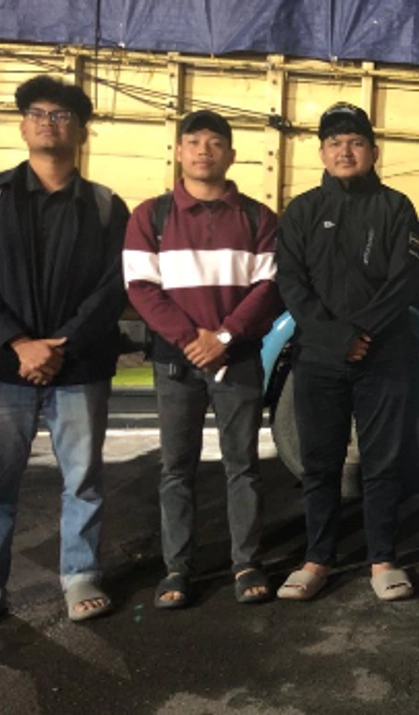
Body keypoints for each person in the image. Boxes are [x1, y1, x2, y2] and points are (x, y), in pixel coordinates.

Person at [0, 75, 129, 637]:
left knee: (83, 482)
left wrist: (61, 344)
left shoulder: (105, 205)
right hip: (1, 369)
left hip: (79, 370)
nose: (50, 123)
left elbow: (113, 286)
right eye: (39, 113)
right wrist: (18, 342)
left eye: (62, 115)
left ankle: (80, 577)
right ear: (23, 126)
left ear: (82, 131)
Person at [123, 110, 284, 608]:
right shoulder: (150, 216)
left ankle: (247, 563)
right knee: (177, 467)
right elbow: (141, 287)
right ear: (178, 151)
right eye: (193, 142)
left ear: (231, 155)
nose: (203, 151)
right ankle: (178, 568)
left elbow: (270, 286)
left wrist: (225, 337)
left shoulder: (258, 218)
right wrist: (193, 339)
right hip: (177, 363)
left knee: (243, 465)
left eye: (215, 143)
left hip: (238, 360)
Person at [275, 102, 419, 602]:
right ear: (321, 152)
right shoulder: (302, 211)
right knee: (320, 464)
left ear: (373, 151)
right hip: (319, 358)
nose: (345, 151)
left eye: (355, 142)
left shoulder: (396, 207)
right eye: (335, 143)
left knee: (383, 463)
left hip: (384, 356)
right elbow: (292, 284)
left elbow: (405, 279)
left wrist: (364, 332)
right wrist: (339, 337)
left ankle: (382, 558)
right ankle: (317, 558)